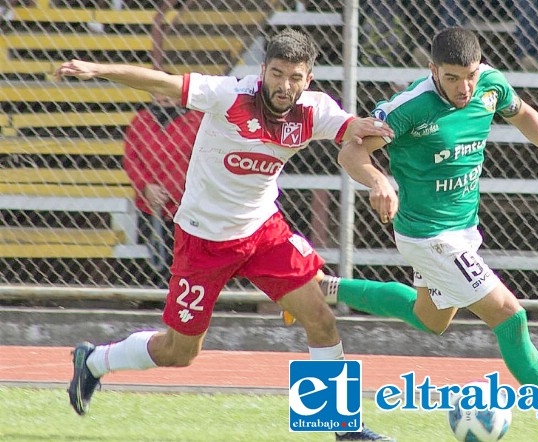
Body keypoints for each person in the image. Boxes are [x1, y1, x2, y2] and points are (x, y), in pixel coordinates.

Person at [55, 29, 396, 441]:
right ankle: (94, 360)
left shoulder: (315, 110)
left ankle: (343, 428)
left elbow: (356, 140)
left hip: (263, 232)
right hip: (203, 239)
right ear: (262, 71)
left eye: (294, 77)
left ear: (308, 79)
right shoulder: (228, 95)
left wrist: (378, 176)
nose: (284, 85)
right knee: (179, 353)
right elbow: (161, 82)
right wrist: (96, 69)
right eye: (277, 73)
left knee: (321, 319)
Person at [336, 27, 538, 442]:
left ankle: (325, 286)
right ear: (432, 70)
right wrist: (378, 181)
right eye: (451, 78)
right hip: (429, 236)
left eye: (469, 75)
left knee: (429, 319)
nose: (463, 87)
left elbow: (521, 113)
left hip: (463, 231)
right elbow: (351, 150)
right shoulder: (408, 108)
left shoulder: (490, 83)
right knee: (511, 316)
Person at [122, 92, 203, 287]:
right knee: (151, 252)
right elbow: (130, 158)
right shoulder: (141, 120)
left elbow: (203, 160)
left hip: (185, 206)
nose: (163, 97)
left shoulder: (197, 121)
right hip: (150, 204)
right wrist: (145, 186)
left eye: (167, 92)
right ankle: (150, 295)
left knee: (183, 256)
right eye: (157, 92)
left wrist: (178, 190)